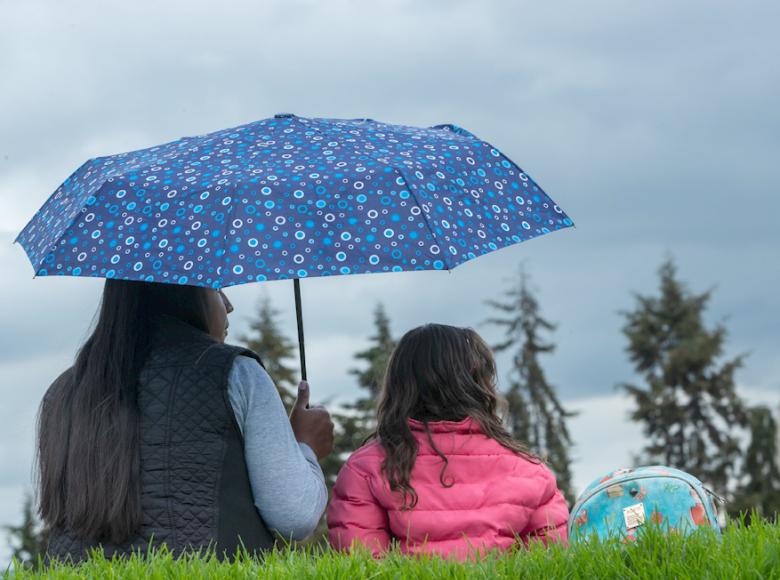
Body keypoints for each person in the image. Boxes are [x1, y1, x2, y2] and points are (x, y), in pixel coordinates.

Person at [37, 279, 333, 561]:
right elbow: (294, 515)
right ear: (182, 295)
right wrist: (305, 447)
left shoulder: (60, 394)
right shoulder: (237, 373)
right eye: (216, 289)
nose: (228, 305)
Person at [327, 324, 569, 560]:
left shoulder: (364, 470)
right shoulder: (532, 473)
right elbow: (549, 566)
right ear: (478, 383)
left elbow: (364, 567)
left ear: (398, 385)